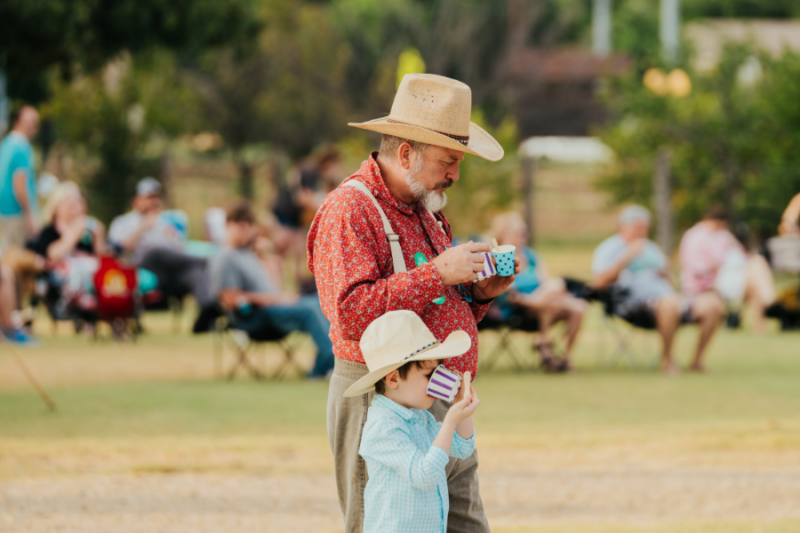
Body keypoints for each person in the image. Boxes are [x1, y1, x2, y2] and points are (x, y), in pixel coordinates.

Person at [308, 73, 519, 533]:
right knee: (385, 522)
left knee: (462, 521)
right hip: (381, 391)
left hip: (441, 385)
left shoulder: (427, 204)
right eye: (449, 161)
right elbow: (349, 315)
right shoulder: (350, 209)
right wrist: (439, 272)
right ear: (407, 153)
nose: (455, 175)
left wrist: (478, 295)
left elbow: (434, 303)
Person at [347, 311, 479, 533]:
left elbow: (463, 447)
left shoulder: (420, 417)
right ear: (393, 378)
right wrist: (449, 421)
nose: (438, 380)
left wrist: (463, 410)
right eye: (430, 375)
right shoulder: (383, 427)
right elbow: (425, 475)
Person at [592, 205, 725, 373]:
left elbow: (670, 281)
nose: (642, 233)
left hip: (669, 297)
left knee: (713, 305)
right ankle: (668, 361)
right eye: (637, 228)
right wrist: (626, 257)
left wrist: (665, 273)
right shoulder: (609, 248)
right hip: (633, 305)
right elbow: (598, 283)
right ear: (622, 227)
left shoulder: (650, 247)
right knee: (668, 303)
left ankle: (697, 361)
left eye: (645, 229)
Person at [209, 203, 335, 378]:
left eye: (248, 226)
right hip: (253, 317)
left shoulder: (250, 254)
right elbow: (230, 300)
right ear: (228, 226)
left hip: (274, 309)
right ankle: (334, 363)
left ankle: (320, 371)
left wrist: (266, 257)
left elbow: (274, 285)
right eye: (240, 226)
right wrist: (277, 299)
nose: (244, 231)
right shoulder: (225, 258)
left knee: (322, 303)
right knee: (310, 309)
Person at [108, 177, 216, 330]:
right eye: (148, 198)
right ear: (136, 200)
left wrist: (173, 238)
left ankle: (207, 312)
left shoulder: (166, 223)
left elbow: (180, 252)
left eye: (156, 198)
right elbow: (115, 251)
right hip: (142, 268)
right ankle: (208, 261)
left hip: (171, 272)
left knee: (194, 271)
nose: (153, 202)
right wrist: (143, 227)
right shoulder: (123, 222)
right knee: (155, 249)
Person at [492, 212, 587, 370]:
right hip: (517, 308)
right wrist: (525, 299)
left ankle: (565, 358)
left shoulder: (532, 256)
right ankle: (544, 342)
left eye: (525, 231)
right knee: (555, 288)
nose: (524, 235)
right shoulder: (500, 255)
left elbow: (546, 282)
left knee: (579, 307)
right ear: (504, 233)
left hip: (541, 305)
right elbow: (506, 290)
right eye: (519, 231)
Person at [680, 207, 777, 334]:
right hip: (709, 282)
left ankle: (760, 325)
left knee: (757, 262)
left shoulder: (724, 235)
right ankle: (769, 301)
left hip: (732, 276)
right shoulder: (694, 236)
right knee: (756, 276)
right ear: (720, 222)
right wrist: (717, 266)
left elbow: (743, 256)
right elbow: (695, 268)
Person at [29, 181, 105, 262]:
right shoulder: (48, 231)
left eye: (77, 199)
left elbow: (100, 257)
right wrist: (74, 232)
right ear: (56, 205)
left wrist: (99, 237)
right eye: (68, 199)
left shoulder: (88, 231)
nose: (73, 203)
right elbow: (51, 254)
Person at [0, 105, 41, 249]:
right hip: (17, 213)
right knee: (16, 260)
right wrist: (30, 215)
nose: (34, 125)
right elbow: (20, 185)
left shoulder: (6, 142)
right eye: (31, 120)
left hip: (5, 211)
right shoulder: (22, 146)